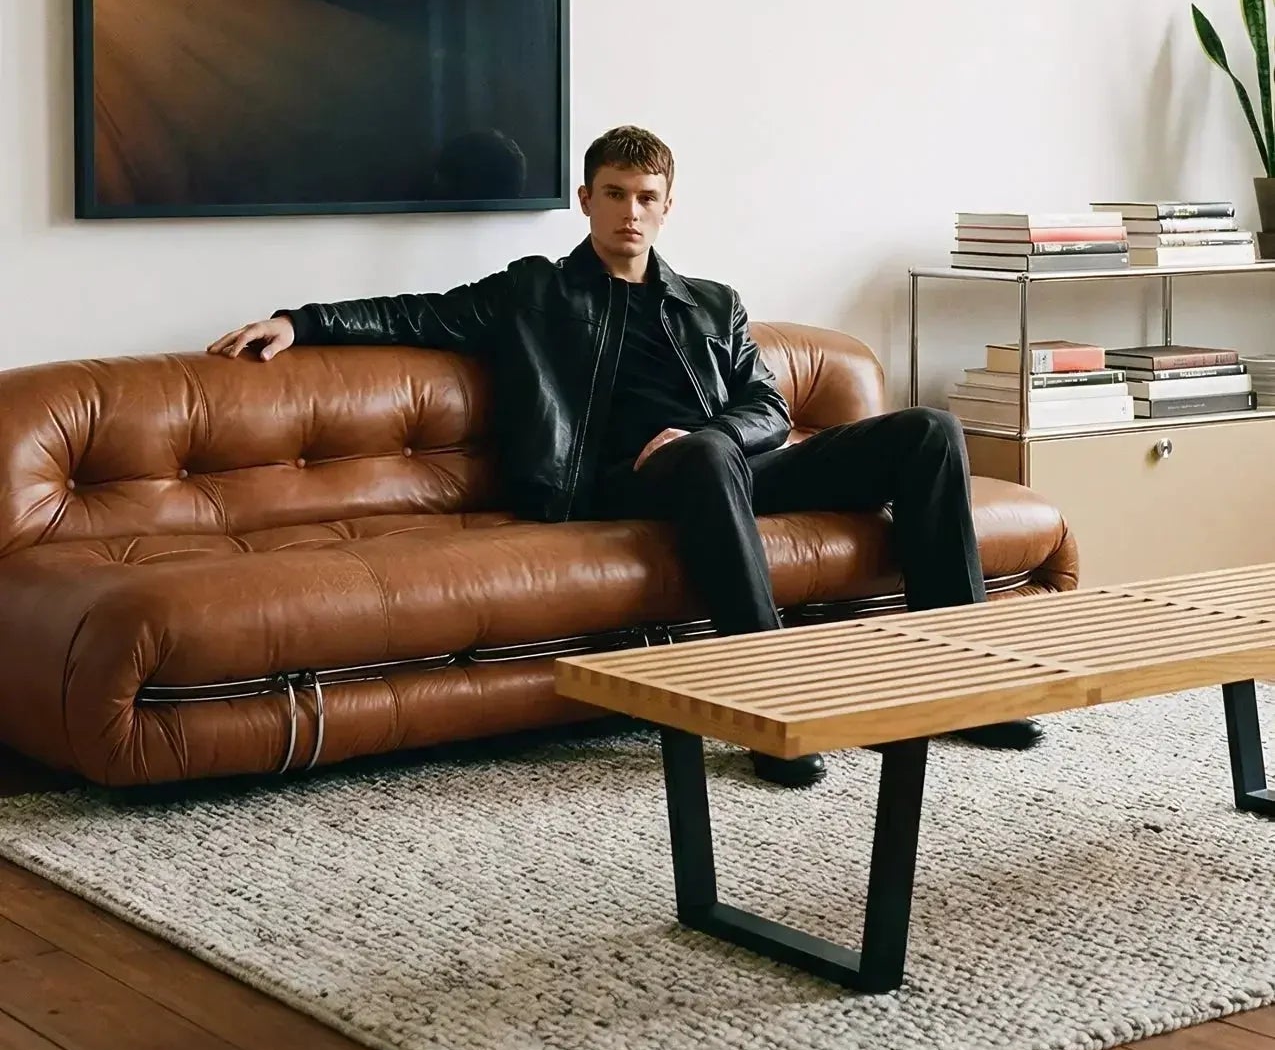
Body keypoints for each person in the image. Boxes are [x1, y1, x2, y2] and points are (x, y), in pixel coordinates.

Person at [209, 124, 1042, 787]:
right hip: (618, 483)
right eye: (614, 194)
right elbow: (413, 312)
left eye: (646, 197)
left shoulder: (712, 305)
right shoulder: (534, 292)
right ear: (585, 198)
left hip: (728, 465)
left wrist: (710, 434)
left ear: (668, 206)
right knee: (707, 463)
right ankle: (772, 702)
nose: (629, 212)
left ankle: (965, 686)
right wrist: (299, 320)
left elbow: (767, 407)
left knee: (927, 430)